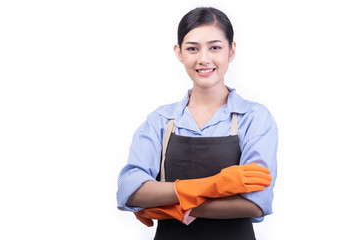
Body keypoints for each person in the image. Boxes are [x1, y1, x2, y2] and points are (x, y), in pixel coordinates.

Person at [117, 7, 278, 240]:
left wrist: (167, 206)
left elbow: (254, 203)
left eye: (215, 47)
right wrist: (213, 185)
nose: (204, 59)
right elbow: (129, 190)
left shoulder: (254, 118)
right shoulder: (161, 121)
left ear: (231, 51)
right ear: (179, 52)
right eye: (192, 48)